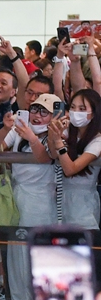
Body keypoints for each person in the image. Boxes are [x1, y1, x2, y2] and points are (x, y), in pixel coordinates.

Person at [0, 93, 58, 300]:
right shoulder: (20, 127)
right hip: (16, 197)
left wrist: (32, 137)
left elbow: (45, 158)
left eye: (44, 112)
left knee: (37, 257)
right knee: (18, 257)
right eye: (36, 110)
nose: (38, 116)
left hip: (41, 202)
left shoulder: (55, 134)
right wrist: (4, 128)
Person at [47, 88, 101, 230]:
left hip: (83, 203)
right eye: (72, 107)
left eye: (82, 109)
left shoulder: (98, 141)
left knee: (84, 244)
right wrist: (52, 133)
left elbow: (70, 169)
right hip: (60, 198)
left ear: (93, 114)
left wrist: (59, 142)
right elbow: (53, 154)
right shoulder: (67, 131)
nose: (76, 112)